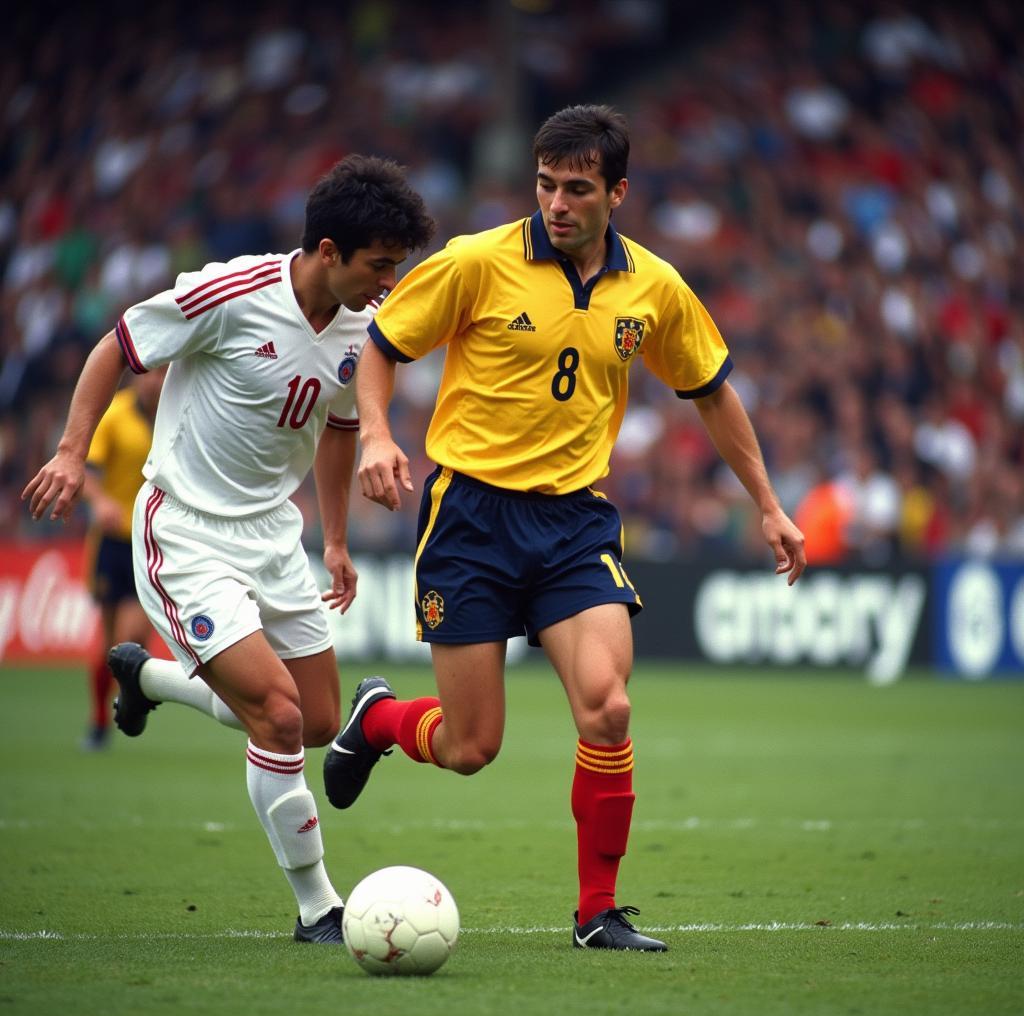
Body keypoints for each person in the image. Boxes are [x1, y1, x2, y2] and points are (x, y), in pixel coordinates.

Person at [323, 105, 807, 953]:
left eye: (578, 188)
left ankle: (597, 913)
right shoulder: (477, 262)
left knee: (609, 709)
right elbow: (385, 344)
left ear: (617, 192)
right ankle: (379, 719)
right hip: (470, 517)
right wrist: (378, 434)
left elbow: (712, 391)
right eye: (546, 185)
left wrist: (767, 503)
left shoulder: (653, 287)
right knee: (472, 748)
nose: (557, 203)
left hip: (575, 524)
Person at [23, 155, 435, 943]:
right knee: (277, 718)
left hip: (275, 537)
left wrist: (338, 539)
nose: (388, 284)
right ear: (327, 252)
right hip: (185, 530)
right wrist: (72, 452)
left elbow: (339, 429)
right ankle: (319, 907)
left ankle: (146, 678)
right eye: (378, 265)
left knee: (315, 720)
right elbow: (117, 345)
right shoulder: (231, 293)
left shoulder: (363, 332)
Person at [79, 367, 166, 751]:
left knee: (133, 637)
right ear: (136, 377)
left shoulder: (179, 412)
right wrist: (99, 503)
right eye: (150, 373)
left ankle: (128, 697)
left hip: (155, 541)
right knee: (109, 645)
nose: (156, 381)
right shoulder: (114, 415)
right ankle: (99, 720)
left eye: (164, 373)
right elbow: (87, 470)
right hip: (113, 542)